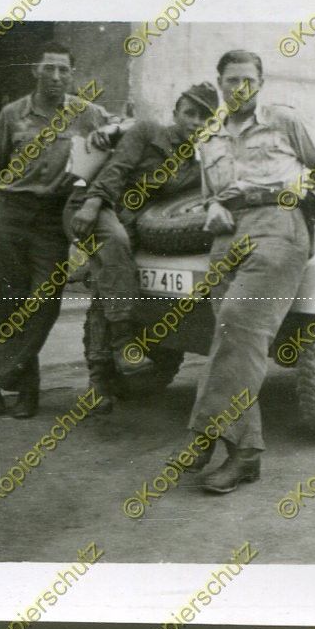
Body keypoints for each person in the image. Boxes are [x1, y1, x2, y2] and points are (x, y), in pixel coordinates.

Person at [178, 49, 315, 493]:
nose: (239, 87)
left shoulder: (284, 120)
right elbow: (211, 192)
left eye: (248, 79)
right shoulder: (209, 136)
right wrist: (212, 207)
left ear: (260, 83)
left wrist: (305, 218)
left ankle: (214, 440)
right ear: (220, 83)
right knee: (232, 340)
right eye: (231, 79)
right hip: (228, 234)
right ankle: (240, 451)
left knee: (237, 323)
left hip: (278, 226)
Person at [0, 41, 111, 418]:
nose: (56, 76)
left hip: (51, 219)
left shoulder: (86, 113)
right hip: (9, 214)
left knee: (44, 304)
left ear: (72, 74)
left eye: (63, 69)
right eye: (49, 68)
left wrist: (108, 138)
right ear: (35, 70)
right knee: (7, 306)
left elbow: (122, 129)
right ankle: (25, 390)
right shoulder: (12, 114)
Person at [65, 83, 220, 412]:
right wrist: (93, 204)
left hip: (130, 221)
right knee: (116, 248)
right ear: (175, 113)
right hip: (94, 206)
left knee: (107, 286)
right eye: (190, 113)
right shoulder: (148, 132)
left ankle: (98, 384)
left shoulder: (196, 163)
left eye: (204, 118)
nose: (196, 122)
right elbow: (116, 170)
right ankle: (123, 344)